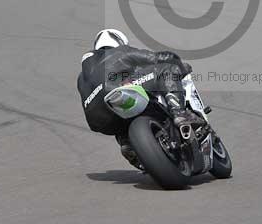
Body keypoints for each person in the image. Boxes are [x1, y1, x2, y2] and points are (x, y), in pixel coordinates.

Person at [76, 28, 201, 169]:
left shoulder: (82, 77)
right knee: (167, 69)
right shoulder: (120, 51)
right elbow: (156, 58)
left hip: (97, 120)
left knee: (117, 117)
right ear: (119, 42)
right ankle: (180, 113)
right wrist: (178, 64)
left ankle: (126, 142)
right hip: (117, 92)